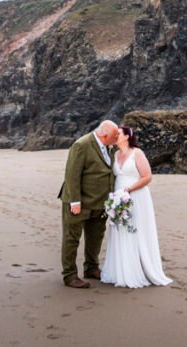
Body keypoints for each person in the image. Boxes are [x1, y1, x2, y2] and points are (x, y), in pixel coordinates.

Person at [100, 125, 172, 288]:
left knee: (136, 229)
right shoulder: (114, 154)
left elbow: (147, 177)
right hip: (118, 196)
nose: (115, 135)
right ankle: (121, 270)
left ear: (126, 136)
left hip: (137, 196)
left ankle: (139, 269)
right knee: (120, 230)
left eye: (118, 133)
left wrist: (129, 189)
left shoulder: (137, 153)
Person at [58, 120, 118, 288]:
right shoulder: (82, 145)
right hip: (79, 202)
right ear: (104, 134)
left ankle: (91, 268)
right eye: (114, 137)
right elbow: (72, 175)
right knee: (72, 238)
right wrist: (74, 201)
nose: (115, 140)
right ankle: (69, 275)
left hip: (100, 204)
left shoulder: (108, 146)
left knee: (96, 237)